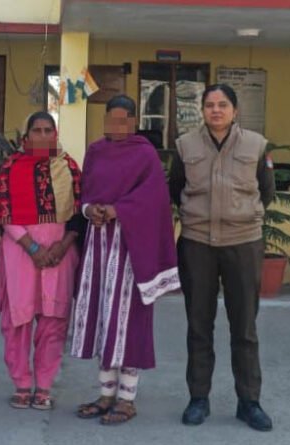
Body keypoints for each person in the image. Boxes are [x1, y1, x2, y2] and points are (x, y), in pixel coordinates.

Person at [170, 84, 275, 432]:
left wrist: (240, 215)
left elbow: (267, 191)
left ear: (235, 110)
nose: (216, 110)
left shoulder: (256, 145)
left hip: (243, 243)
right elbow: (176, 189)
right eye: (210, 105)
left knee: (244, 327)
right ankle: (198, 398)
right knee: (199, 325)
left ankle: (249, 402)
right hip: (197, 243)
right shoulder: (185, 146)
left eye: (223, 104)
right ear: (202, 110)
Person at [72, 95, 180, 425]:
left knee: (127, 321)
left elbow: (154, 199)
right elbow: (85, 192)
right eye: (111, 119)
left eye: (123, 120)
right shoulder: (95, 151)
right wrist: (90, 210)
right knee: (102, 319)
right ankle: (106, 394)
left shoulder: (145, 154)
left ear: (133, 122)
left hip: (131, 249)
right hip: (98, 247)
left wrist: (117, 210)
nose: (116, 126)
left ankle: (127, 399)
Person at [0, 112, 83, 410]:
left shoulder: (69, 167)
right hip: (20, 252)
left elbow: (79, 213)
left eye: (49, 131)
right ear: (27, 136)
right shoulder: (10, 167)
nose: (43, 136)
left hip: (60, 254)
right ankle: (21, 383)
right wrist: (32, 248)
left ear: (55, 135)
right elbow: (3, 212)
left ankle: (44, 386)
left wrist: (63, 245)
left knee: (53, 322)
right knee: (17, 321)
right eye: (37, 131)